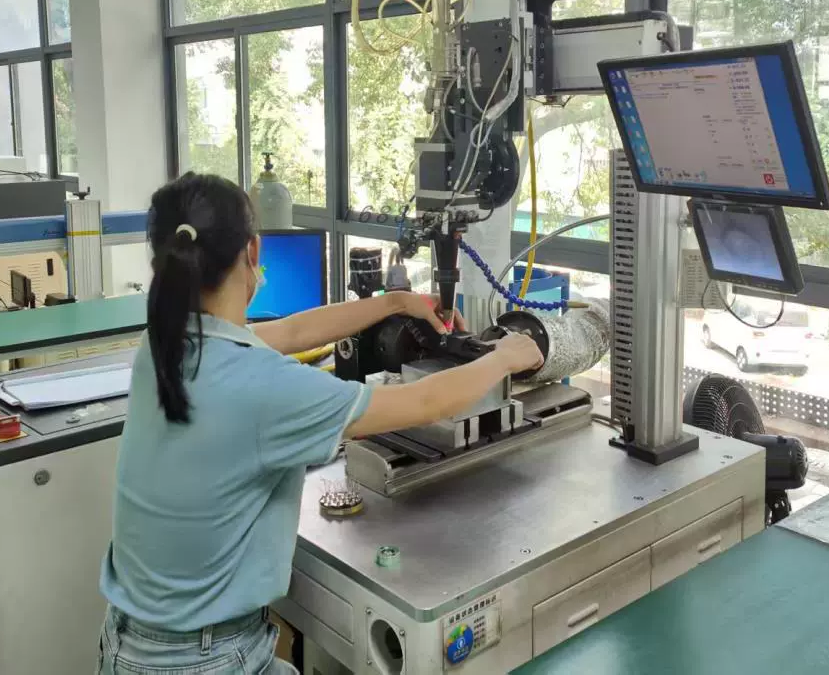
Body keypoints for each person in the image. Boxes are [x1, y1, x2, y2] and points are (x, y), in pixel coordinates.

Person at [97, 173, 543, 674]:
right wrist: (505, 356)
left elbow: (293, 331)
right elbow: (424, 402)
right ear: (252, 251)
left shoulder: (164, 342)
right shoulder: (261, 386)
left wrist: (397, 302)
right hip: (205, 660)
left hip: (132, 644)